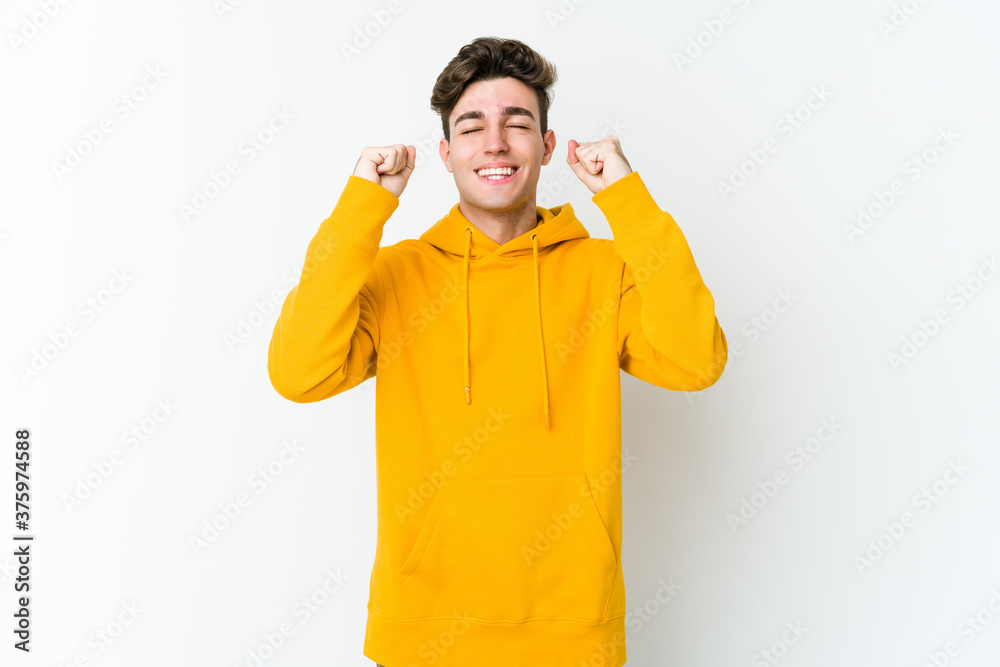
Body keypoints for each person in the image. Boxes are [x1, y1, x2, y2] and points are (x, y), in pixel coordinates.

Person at [267, 35, 727, 667]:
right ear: (446, 152)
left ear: (547, 145)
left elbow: (696, 360)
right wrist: (362, 209)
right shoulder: (396, 275)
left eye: (517, 123)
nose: (495, 144)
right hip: (421, 632)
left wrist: (626, 200)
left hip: (571, 629)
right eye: (471, 127)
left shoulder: (605, 271)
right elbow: (297, 373)